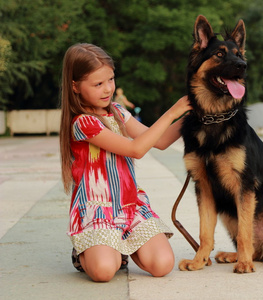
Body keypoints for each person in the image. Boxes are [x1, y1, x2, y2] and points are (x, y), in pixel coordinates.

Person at [59, 43, 191, 282]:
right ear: (75, 87)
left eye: (111, 79)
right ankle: (86, 251)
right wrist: (173, 111)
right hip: (97, 208)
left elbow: (159, 141)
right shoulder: (83, 123)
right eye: (98, 84)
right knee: (103, 272)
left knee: (163, 265)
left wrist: (193, 116)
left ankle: (117, 245)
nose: (108, 88)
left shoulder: (118, 112)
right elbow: (135, 149)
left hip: (129, 205)